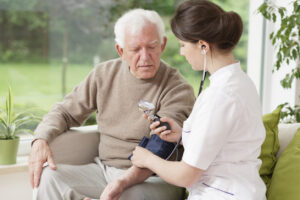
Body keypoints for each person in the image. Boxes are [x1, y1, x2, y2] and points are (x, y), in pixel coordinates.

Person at [29, 8, 195, 200]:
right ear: (121, 50)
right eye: (135, 49)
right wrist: (40, 139)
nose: (145, 57)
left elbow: (159, 148)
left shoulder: (177, 88)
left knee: (123, 195)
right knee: (49, 178)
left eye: (151, 46)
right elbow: (65, 111)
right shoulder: (103, 74)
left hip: (155, 178)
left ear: (163, 45)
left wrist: (122, 183)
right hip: (104, 171)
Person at [131, 0, 267, 200]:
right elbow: (227, 143)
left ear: (203, 46)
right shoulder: (242, 82)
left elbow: (186, 176)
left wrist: (147, 159)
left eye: (183, 45)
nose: (181, 52)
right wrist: (182, 135)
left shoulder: (220, 96)